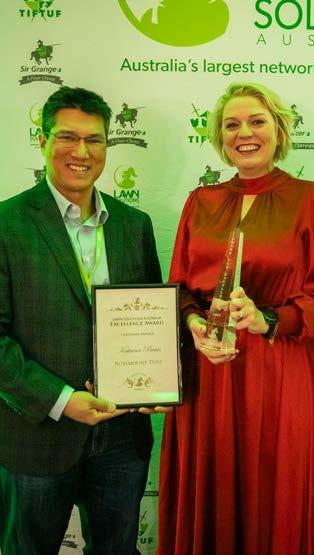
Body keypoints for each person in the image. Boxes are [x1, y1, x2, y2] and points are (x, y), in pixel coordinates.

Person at [158, 82, 314, 555]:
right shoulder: (200, 201)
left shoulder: (312, 198)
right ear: (219, 137)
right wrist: (193, 325)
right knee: (216, 497)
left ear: (279, 130)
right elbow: (178, 289)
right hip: (210, 372)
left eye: (257, 121)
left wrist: (268, 318)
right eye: (232, 124)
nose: (244, 133)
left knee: (283, 499)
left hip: (286, 371)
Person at [0, 86, 165, 554]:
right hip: (37, 434)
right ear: (42, 141)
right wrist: (62, 400)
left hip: (122, 436)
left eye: (94, 140)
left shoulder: (134, 224)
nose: (81, 151)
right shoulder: (6, 223)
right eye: (67, 137)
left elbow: (152, 319)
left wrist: (156, 381)